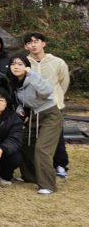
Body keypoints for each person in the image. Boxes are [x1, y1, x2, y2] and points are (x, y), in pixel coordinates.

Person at [7, 53, 62, 194]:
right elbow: (20, 102)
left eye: (20, 64)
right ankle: (30, 176)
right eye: (13, 64)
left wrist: (32, 74)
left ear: (26, 67)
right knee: (24, 142)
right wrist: (20, 111)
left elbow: (47, 91)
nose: (16, 67)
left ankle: (48, 185)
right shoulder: (14, 82)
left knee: (42, 149)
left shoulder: (33, 78)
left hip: (49, 114)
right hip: (32, 116)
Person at [24, 32, 71, 178]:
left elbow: (64, 82)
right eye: (30, 43)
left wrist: (57, 98)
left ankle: (60, 164)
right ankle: (36, 167)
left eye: (36, 41)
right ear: (26, 46)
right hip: (33, 107)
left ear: (43, 43)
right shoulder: (24, 63)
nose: (33, 45)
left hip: (54, 105)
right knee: (34, 138)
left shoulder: (57, 62)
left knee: (57, 137)